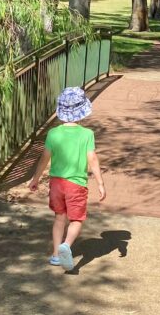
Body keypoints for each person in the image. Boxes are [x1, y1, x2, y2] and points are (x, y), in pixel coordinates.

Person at [29, 87, 106, 270]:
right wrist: (100, 183)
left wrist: (35, 179)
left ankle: (56, 255)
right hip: (76, 184)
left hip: (56, 183)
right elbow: (92, 159)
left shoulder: (53, 133)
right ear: (82, 111)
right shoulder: (86, 134)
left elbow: (44, 158)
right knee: (76, 220)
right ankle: (66, 245)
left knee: (59, 218)